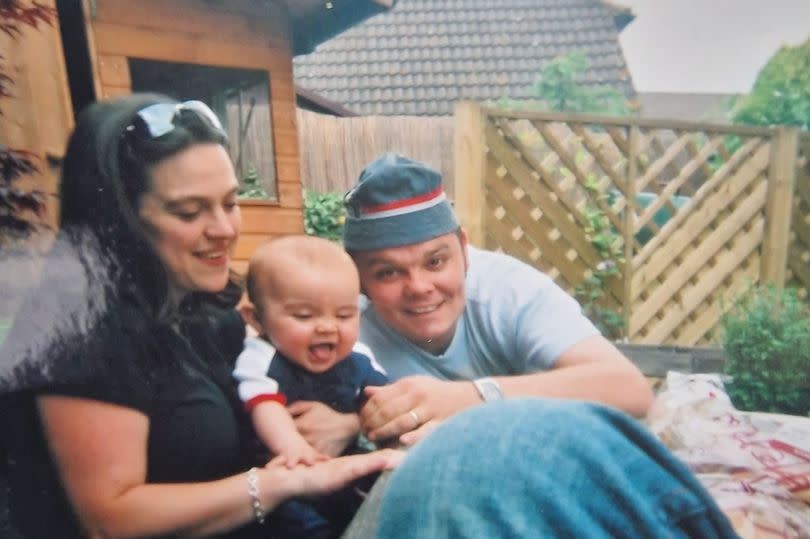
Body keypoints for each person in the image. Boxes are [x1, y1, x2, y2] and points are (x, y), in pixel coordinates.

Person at [0, 94, 399, 539]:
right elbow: (108, 520)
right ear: (121, 218)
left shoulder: (196, 306)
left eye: (229, 203)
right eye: (189, 212)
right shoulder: (78, 324)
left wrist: (347, 422)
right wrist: (280, 483)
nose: (224, 229)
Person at [289, 152, 655, 452]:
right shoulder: (342, 322)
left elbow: (629, 388)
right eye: (388, 272)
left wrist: (471, 398)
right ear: (358, 277)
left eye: (436, 262)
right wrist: (354, 425)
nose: (419, 287)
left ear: (464, 250)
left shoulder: (507, 290)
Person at [233, 235, 388, 538]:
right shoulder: (261, 357)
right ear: (257, 318)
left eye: (344, 314)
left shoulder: (359, 357)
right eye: (304, 315)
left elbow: (382, 400)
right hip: (286, 480)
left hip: (344, 475)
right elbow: (265, 405)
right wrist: (295, 450)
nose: (328, 326)